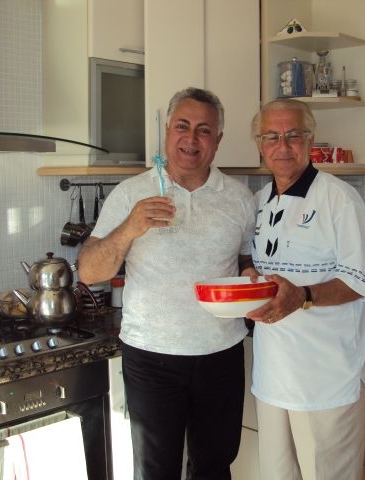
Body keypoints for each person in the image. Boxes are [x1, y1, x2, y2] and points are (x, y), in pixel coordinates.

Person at [77, 87, 257, 479]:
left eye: (204, 130)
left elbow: (245, 259)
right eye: (182, 126)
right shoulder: (131, 194)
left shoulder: (241, 198)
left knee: (214, 467)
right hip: (151, 356)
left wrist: (250, 275)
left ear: (218, 140)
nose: (191, 139)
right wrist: (130, 228)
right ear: (167, 131)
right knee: (156, 471)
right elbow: (89, 271)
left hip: (221, 352)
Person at [245, 98, 365, 480]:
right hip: (272, 377)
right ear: (259, 144)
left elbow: (360, 281)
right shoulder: (259, 202)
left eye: (293, 135)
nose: (282, 146)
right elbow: (250, 263)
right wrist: (247, 273)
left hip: (327, 379)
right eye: (272, 136)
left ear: (309, 139)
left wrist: (303, 296)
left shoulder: (339, 199)